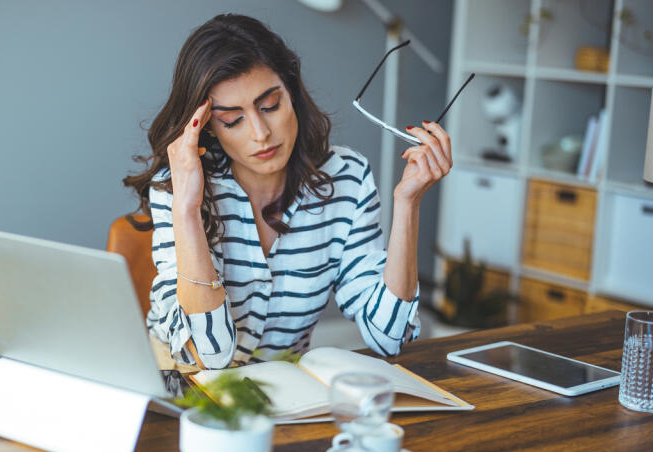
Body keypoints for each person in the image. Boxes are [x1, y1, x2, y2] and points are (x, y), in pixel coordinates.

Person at [122, 14, 452, 369]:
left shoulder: (347, 178)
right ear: (207, 127)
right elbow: (209, 355)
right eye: (233, 120)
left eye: (270, 106)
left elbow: (388, 338)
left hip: (284, 398)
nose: (260, 133)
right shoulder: (181, 184)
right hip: (179, 387)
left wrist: (408, 204)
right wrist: (187, 211)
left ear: (292, 92)